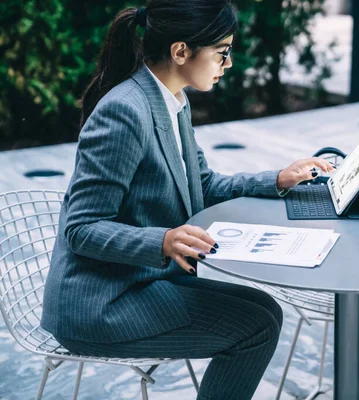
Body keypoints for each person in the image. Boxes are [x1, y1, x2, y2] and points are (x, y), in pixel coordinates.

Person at [40, 1, 334, 399]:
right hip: (102, 304)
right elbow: (82, 228)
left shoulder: (172, 100)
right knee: (257, 327)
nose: (227, 63)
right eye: (222, 52)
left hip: (141, 282)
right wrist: (162, 241)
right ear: (181, 52)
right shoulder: (124, 112)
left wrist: (278, 179)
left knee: (266, 311)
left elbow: (203, 185)